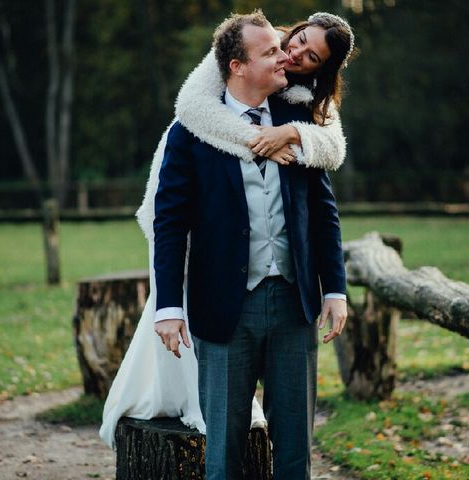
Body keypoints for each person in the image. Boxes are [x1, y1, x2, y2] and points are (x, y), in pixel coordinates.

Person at [99, 9, 355, 459]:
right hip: (222, 309)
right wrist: (167, 307)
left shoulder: (303, 116)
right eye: (278, 48)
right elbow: (169, 223)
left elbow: (323, 211)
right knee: (222, 453)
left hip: (295, 306)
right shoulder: (192, 129)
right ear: (237, 66)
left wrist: (334, 288)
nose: (288, 56)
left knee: (296, 451)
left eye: (305, 56)